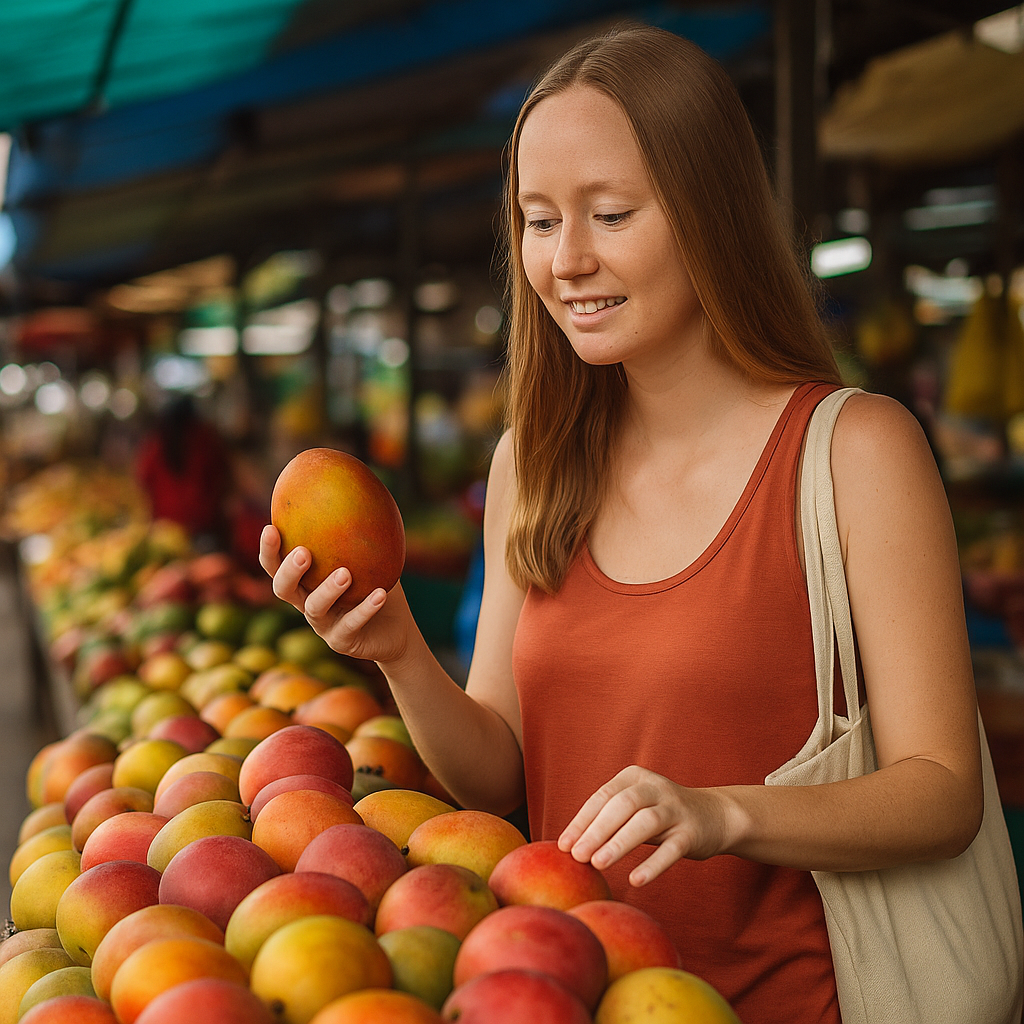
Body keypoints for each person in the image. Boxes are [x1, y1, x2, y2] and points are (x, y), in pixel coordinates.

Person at [260, 26, 984, 1023]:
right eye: (539, 220)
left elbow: (943, 791)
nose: (568, 260)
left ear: (709, 214)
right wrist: (396, 651)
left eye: (609, 213)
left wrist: (720, 809)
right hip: (565, 995)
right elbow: (499, 772)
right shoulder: (532, 463)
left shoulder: (854, 450)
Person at [135, 395, 229, 549]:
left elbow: (143, 479)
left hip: (165, 526)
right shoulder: (204, 439)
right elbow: (221, 475)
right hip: (203, 524)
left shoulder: (155, 444)